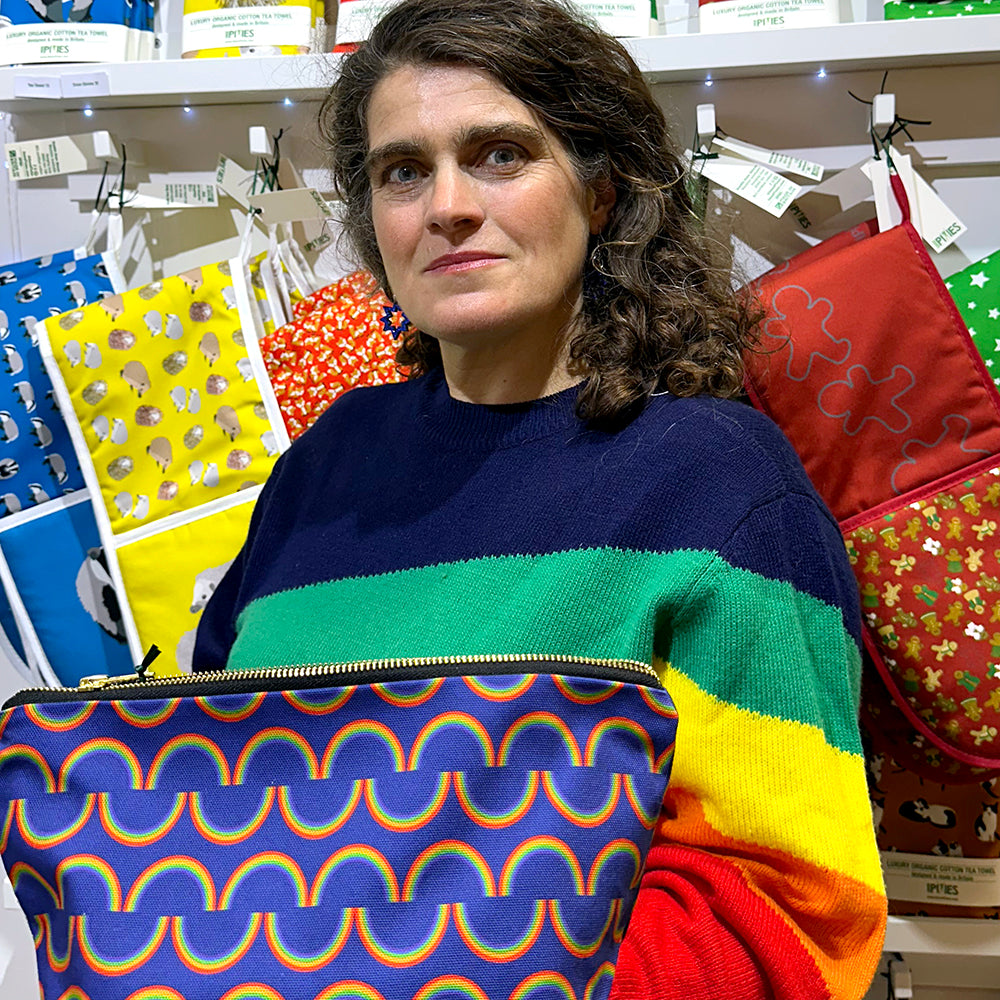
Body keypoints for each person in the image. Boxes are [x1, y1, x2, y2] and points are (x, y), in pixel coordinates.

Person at [193, 0, 887, 995]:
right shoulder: (327, 462)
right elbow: (218, 775)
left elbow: (789, 910)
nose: (446, 206)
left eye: (500, 155)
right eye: (403, 171)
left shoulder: (716, 486)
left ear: (601, 193)